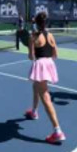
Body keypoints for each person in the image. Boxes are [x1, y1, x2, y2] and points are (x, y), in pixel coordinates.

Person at [25, 12, 66, 144]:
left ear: (36, 23)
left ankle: (57, 131)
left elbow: (31, 57)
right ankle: (34, 112)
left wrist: (33, 46)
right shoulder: (51, 35)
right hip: (49, 64)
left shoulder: (33, 36)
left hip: (41, 64)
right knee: (35, 87)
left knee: (46, 97)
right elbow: (55, 55)